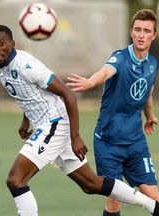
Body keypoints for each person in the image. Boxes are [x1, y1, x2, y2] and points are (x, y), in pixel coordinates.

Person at [0, 24, 159, 216]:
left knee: (15, 180)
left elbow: (68, 94)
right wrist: (26, 120)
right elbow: (29, 94)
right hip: (49, 125)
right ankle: (152, 205)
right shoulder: (3, 67)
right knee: (90, 184)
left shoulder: (26, 65)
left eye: (1, 44)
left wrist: (75, 136)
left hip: (54, 124)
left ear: (12, 43)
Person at [66, 9, 159, 216]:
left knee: (154, 197)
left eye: (146, 31)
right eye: (137, 30)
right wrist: (90, 81)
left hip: (136, 143)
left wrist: (149, 115)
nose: (141, 35)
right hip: (108, 143)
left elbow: (148, 92)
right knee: (115, 203)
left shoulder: (152, 64)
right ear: (131, 32)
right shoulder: (120, 58)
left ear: (154, 35)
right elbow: (106, 71)